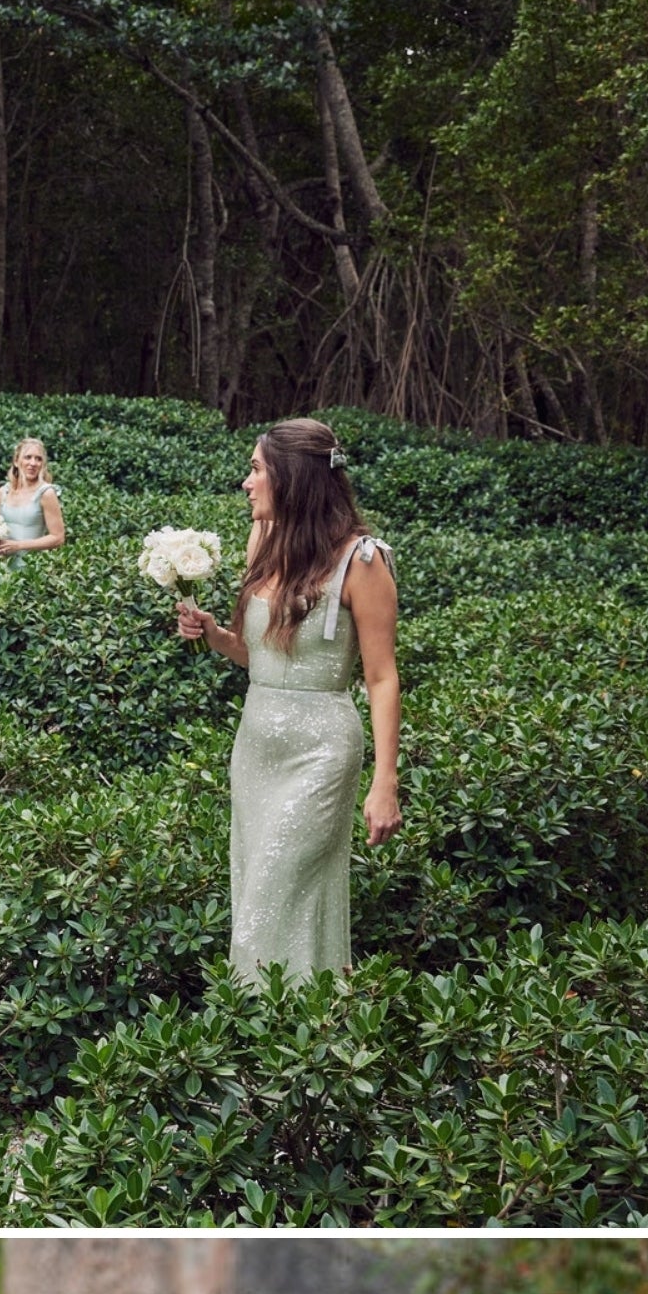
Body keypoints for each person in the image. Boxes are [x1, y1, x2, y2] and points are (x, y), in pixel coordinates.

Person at [177, 420, 402, 981]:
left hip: (320, 753)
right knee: (256, 889)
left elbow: (381, 678)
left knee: (273, 893)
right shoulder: (263, 542)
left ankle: (266, 1027)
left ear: (293, 478)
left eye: (256, 470)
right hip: (255, 749)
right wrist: (212, 633)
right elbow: (262, 659)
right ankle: (295, 1029)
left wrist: (385, 781)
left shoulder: (363, 561)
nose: (247, 483)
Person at [0, 437, 66, 560]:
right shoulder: (3, 492)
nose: (33, 463)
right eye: (28, 457)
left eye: (38, 459)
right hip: (3, 568)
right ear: (16, 461)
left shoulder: (46, 493)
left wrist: (19, 545)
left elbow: (58, 537)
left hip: (32, 567)